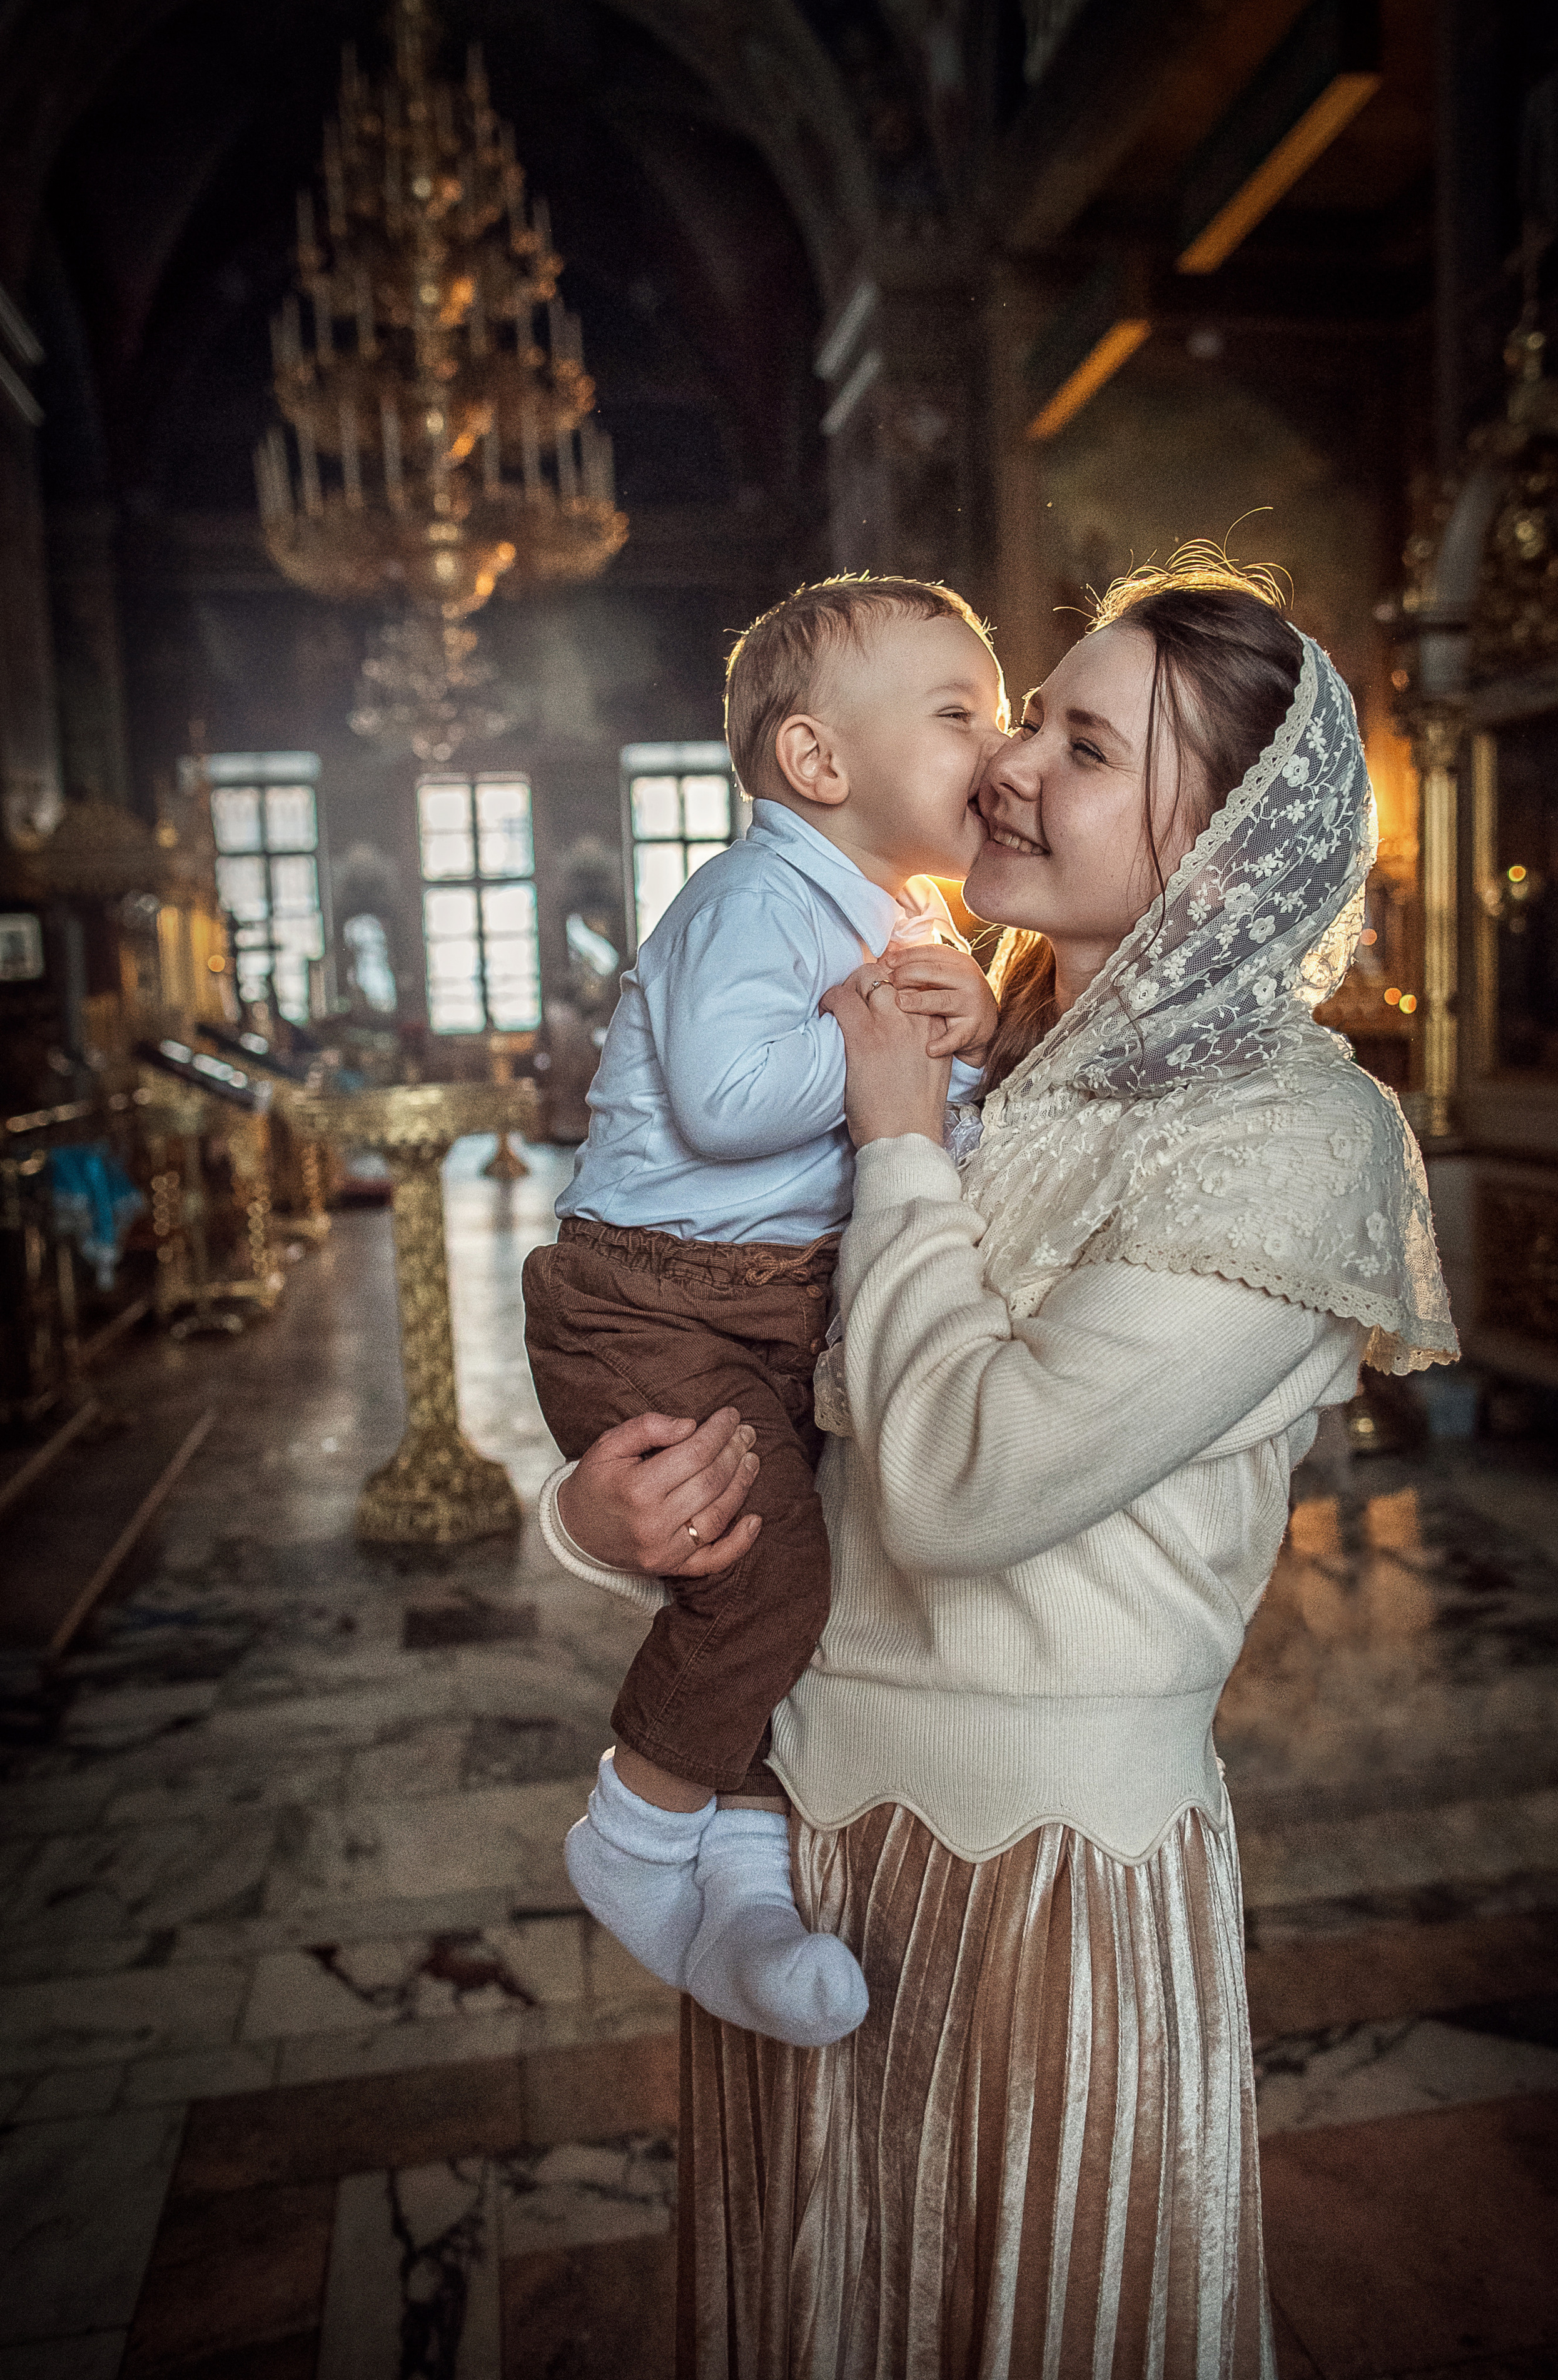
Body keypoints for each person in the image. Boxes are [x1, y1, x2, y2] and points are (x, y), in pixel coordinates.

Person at [542, 559, 1459, 2375]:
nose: (1012, 763)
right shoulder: (979, 1040)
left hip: (1044, 1875)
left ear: (1222, 838)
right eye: (1025, 714)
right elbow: (766, 1382)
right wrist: (591, 1513)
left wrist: (892, 1136)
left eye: (1087, 745)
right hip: (791, 1849)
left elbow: (960, 1489)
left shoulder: (1290, 1133)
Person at [522, 575, 1006, 2049]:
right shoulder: (754, 896)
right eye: (957, 716)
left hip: (751, 1303)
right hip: (650, 1296)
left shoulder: (888, 908)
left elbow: (918, 1116)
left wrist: (957, 1046)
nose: (998, 745)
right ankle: (637, 1827)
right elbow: (732, 1106)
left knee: (789, 1578)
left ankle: (741, 1876)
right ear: (816, 764)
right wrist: (908, 1038)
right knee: (760, 1572)